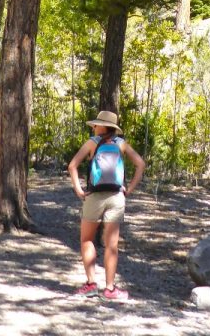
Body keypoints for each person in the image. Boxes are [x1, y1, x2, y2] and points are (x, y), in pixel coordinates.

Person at [67, 109, 145, 301]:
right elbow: (140, 164)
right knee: (111, 245)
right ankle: (110, 289)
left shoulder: (92, 143)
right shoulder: (121, 144)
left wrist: (78, 189)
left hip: (94, 196)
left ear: (103, 126)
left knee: (87, 239)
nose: (94, 127)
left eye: (96, 124)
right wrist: (130, 188)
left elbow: (72, 165)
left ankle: (91, 284)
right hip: (117, 197)